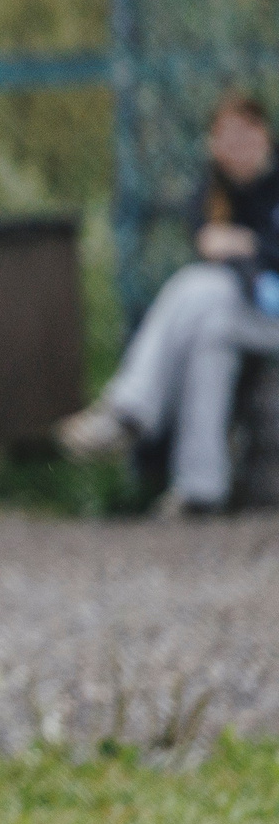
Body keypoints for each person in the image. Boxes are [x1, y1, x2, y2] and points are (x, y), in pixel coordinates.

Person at [59, 92, 279, 511]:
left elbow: (240, 255)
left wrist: (249, 245)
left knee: (196, 287)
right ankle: (201, 489)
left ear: (265, 135)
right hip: (242, 315)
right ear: (213, 143)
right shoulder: (212, 192)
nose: (238, 146)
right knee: (208, 338)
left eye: (246, 134)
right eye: (227, 137)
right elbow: (213, 244)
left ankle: (130, 408)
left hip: (265, 311)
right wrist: (246, 251)